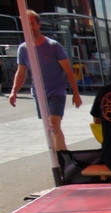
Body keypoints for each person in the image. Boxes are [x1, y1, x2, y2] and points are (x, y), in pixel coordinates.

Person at [9, 9, 82, 152]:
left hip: (56, 92)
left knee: (54, 124)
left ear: (38, 24)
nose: (29, 27)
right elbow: (21, 71)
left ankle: (62, 157)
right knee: (49, 127)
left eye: (31, 23)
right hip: (39, 93)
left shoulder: (53, 46)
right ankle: (58, 154)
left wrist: (76, 94)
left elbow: (68, 71)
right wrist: (14, 91)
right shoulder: (23, 49)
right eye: (25, 24)